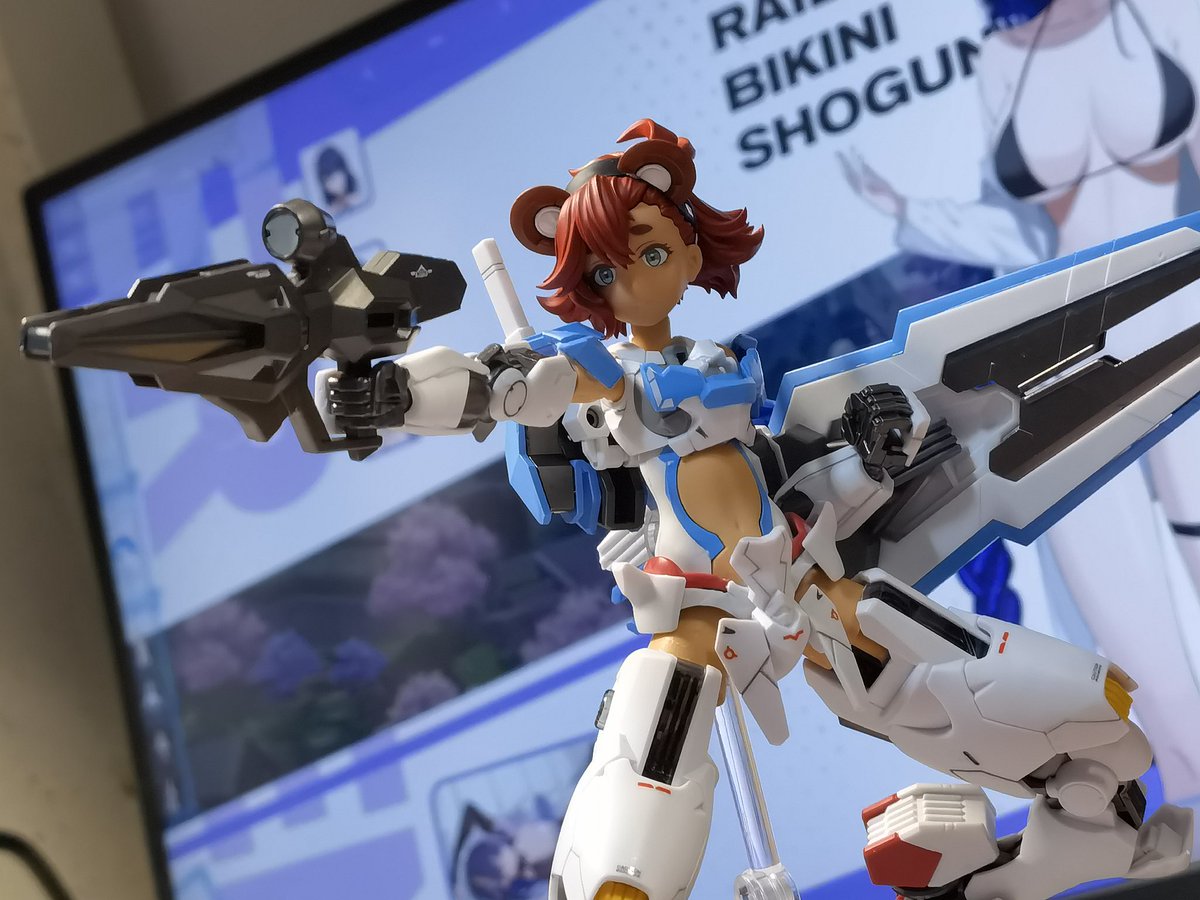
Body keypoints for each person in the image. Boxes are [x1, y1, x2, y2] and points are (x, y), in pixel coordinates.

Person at [321, 119, 1193, 900]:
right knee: (636, 803)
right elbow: (508, 383)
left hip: (813, 590)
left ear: (689, 249)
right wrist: (394, 393)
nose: (629, 280)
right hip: (700, 616)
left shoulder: (709, 370)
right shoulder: (602, 376)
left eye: (647, 252)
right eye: (604, 270)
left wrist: (875, 442)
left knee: (1085, 725)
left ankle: (1064, 855)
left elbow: (787, 466)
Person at [841, 0, 1200, 805]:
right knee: (1130, 632)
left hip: (1187, 314)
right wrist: (907, 213)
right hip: (1067, 360)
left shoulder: (1162, 12)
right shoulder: (1002, 55)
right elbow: (1023, 237)